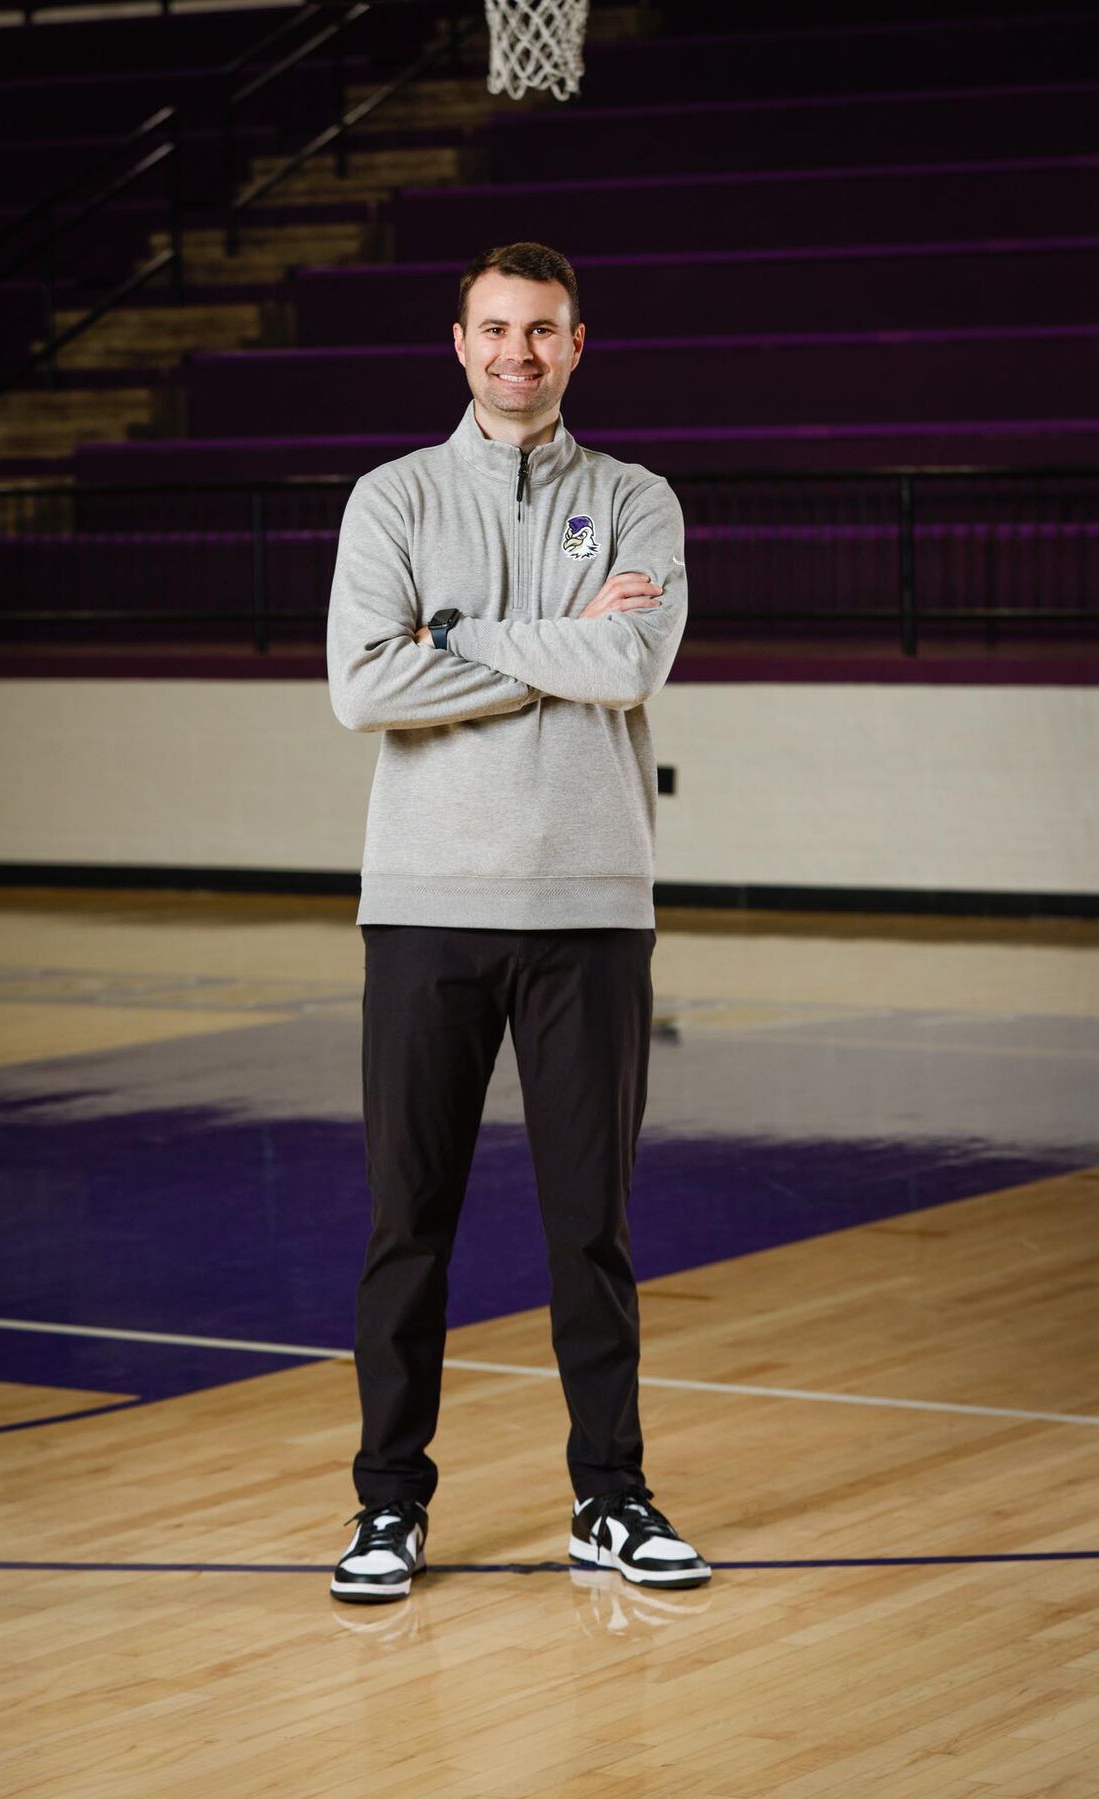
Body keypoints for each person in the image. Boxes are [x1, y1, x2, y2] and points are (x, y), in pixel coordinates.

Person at [325, 241, 710, 1604]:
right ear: (459, 340)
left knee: (587, 1227)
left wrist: (465, 634)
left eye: (542, 333)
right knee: (405, 1224)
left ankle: (611, 1498)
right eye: (496, 330)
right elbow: (364, 687)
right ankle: (388, 1507)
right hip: (425, 906)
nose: (518, 355)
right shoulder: (392, 500)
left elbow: (633, 657)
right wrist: (547, 635)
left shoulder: (637, 499)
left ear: (578, 346)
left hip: (592, 910)